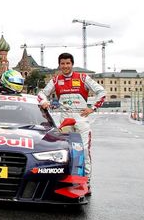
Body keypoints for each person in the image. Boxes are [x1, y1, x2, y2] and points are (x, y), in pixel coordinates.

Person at [37, 52, 105, 188]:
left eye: (68, 63)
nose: (65, 66)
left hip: (81, 119)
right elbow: (41, 94)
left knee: (84, 151)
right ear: (59, 65)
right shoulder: (56, 80)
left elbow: (102, 92)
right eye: (62, 63)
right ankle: (65, 180)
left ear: (72, 64)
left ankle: (86, 182)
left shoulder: (83, 77)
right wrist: (44, 101)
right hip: (65, 120)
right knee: (65, 152)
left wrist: (92, 108)